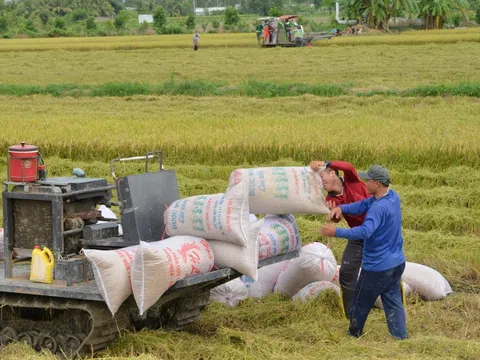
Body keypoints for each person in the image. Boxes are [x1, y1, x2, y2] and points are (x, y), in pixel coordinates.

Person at [319, 165, 407, 340]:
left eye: (368, 180)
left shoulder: (378, 209)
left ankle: (353, 335)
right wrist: (342, 209)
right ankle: (400, 337)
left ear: (377, 183)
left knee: (359, 302)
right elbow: (362, 204)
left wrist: (336, 232)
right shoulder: (392, 196)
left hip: (377, 267)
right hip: (397, 262)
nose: (364, 183)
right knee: (393, 302)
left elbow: (365, 232)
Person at [310, 160, 370, 319]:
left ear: (332, 173)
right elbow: (337, 219)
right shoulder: (332, 200)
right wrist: (333, 215)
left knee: (378, 270)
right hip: (358, 234)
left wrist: (326, 163)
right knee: (347, 271)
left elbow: (349, 167)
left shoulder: (352, 181)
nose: (322, 182)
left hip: (377, 232)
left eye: (322, 177)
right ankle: (351, 314)